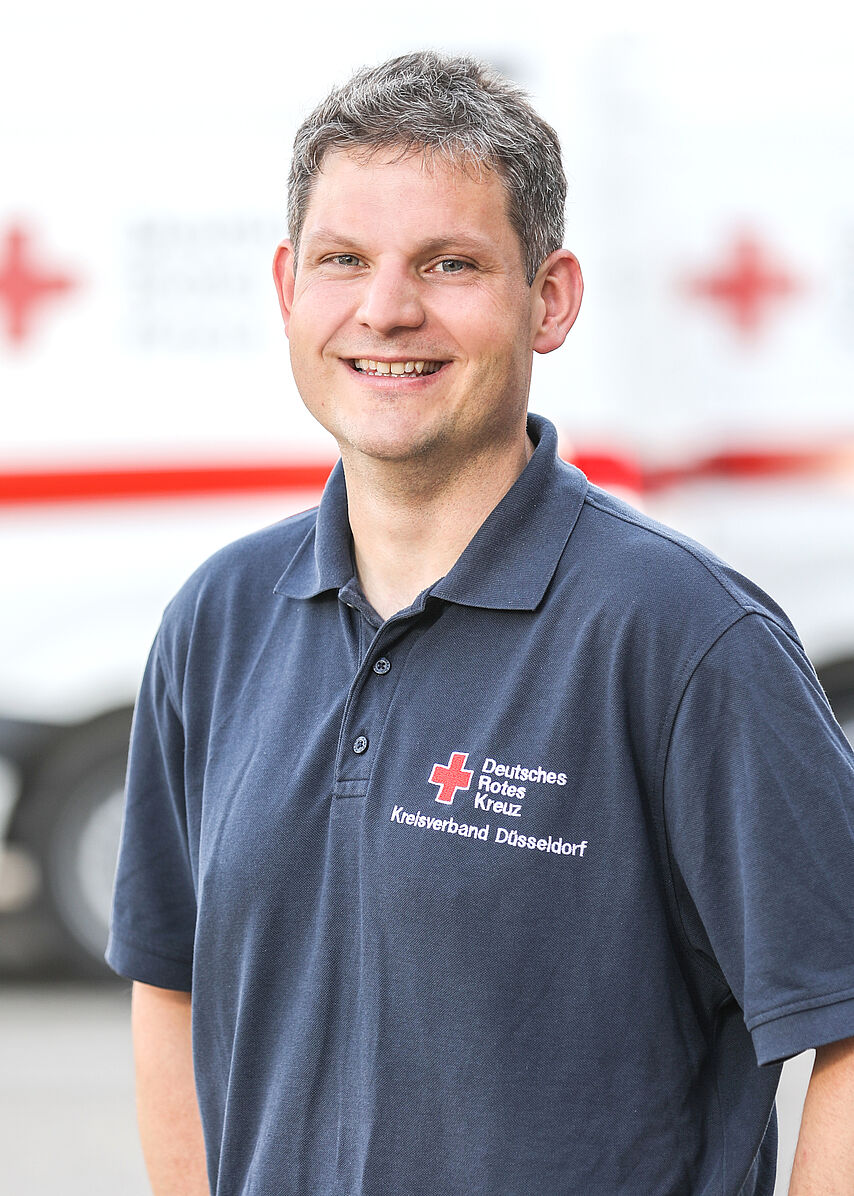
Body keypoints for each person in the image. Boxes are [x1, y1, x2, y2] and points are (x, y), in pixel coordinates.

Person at [107, 51, 854, 1195]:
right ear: (287, 287)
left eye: (447, 262)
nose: (385, 308)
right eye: (343, 260)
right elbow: (171, 981)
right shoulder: (217, 621)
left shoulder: (685, 639)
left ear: (547, 298)